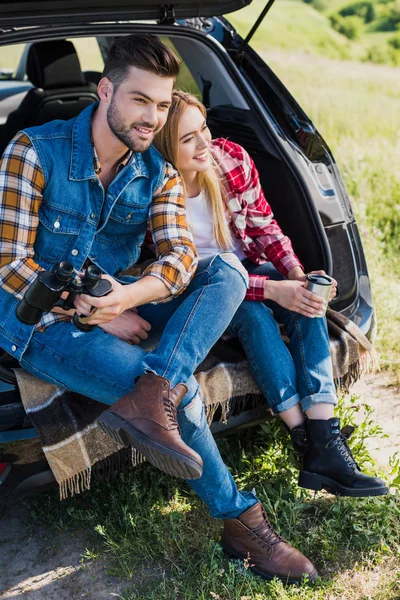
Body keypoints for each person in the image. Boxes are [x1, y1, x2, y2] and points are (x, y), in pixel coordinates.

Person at [0, 35, 318, 583]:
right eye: (140, 100)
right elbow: (9, 265)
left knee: (229, 272)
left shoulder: (159, 172)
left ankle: (154, 394)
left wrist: (125, 297)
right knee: (187, 394)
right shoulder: (31, 150)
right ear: (106, 91)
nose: (153, 118)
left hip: (123, 298)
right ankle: (242, 522)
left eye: (164, 104)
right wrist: (90, 309)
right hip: (39, 322)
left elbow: (178, 261)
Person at [154, 90, 388, 499]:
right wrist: (274, 290)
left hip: (248, 270)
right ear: (166, 146)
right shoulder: (156, 189)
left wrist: (295, 276)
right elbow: (184, 274)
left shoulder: (231, 160)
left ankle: (322, 434)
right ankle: (308, 441)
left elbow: (266, 228)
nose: (205, 142)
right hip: (204, 289)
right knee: (254, 315)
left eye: (204, 128)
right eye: (188, 138)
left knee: (307, 298)